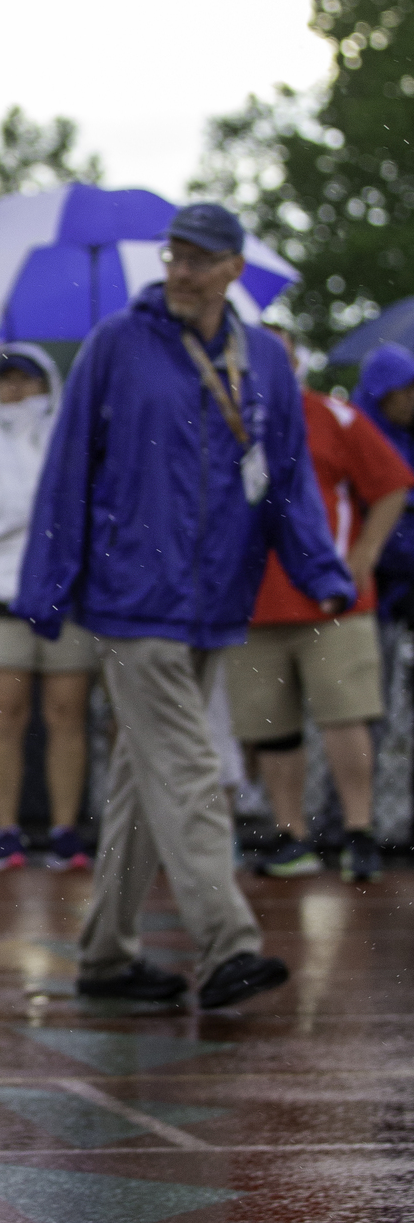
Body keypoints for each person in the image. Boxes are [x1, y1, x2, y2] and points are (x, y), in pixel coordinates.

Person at [15, 202, 355, 1013]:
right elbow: (69, 465)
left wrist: (321, 567)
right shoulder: (116, 346)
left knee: (146, 777)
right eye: (174, 255)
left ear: (233, 268)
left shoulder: (267, 360)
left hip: (216, 596)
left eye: (199, 259)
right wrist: (48, 584)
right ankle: (228, 944)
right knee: (193, 768)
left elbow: (289, 477)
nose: (180, 270)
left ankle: (104, 959)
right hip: (133, 598)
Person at [225, 337, 411, 884]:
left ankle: (359, 832)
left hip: (332, 601)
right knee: (271, 726)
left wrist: (365, 554)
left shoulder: (334, 415)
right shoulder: (227, 421)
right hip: (253, 604)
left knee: (345, 716)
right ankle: (293, 836)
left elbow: (394, 484)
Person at [0, 344, 98, 872]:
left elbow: (80, 512)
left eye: (28, 380)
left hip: (64, 595)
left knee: (67, 716)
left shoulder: (71, 440)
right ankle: (5, 832)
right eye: (7, 380)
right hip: (2, 594)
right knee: (5, 716)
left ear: (49, 385)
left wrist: (45, 495)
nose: (17, 391)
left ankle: (65, 830)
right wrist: (46, 498)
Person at [351, 342, 414, 620]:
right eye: (406, 390)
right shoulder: (357, 435)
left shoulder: (404, 434)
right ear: (382, 393)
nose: (412, 399)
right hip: (376, 586)